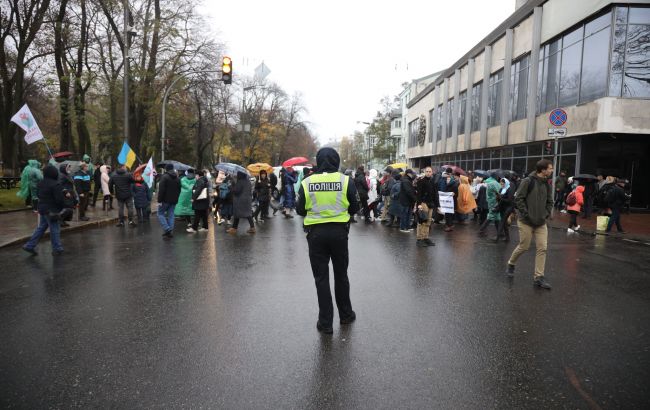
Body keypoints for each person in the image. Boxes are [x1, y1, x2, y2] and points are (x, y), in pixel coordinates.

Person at [296, 147, 359, 334]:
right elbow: (355, 207)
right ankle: (346, 315)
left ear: (318, 161)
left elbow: (300, 210)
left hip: (316, 234)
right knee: (341, 275)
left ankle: (325, 323)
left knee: (321, 278)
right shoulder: (345, 180)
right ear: (337, 160)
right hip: (339, 233)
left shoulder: (307, 182)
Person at [507, 159, 554, 290]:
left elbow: (550, 201)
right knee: (524, 246)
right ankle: (511, 263)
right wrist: (526, 214)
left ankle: (538, 277)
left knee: (542, 248)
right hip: (526, 221)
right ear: (543, 170)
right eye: (550, 168)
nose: (552, 171)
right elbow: (519, 198)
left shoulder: (547, 184)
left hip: (540, 222)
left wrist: (545, 214)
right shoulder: (528, 181)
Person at [22, 165, 65, 255]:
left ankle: (29, 245)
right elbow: (59, 199)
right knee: (55, 229)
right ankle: (57, 248)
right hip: (52, 210)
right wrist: (63, 206)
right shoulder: (56, 184)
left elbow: (38, 194)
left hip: (42, 208)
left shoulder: (40, 183)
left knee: (41, 228)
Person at [415, 166, 439, 247]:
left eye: (430, 171)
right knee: (422, 221)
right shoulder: (421, 181)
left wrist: (438, 205)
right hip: (423, 203)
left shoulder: (433, 182)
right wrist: (419, 204)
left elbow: (435, 194)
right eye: (427, 171)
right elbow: (418, 194)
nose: (428, 173)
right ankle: (419, 239)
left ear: (432, 172)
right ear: (425, 172)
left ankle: (425, 238)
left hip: (431, 204)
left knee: (428, 222)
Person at [157, 163, 181, 238]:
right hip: (174, 200)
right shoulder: (177, 178)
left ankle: (167, 229)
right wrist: (176, 198)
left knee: (160, 213)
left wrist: (159, 200)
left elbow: (161, 190)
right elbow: (179, 189)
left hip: (165, 200)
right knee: (171, 215)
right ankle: (170, 231)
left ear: (166, 169)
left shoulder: (164, 177)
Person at [478, 173, 501, 238]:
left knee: (496, 217)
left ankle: (499, 232)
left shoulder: (488, 182)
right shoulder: (494, 183)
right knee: (491, 217)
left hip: (490, 201)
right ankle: (481, 230)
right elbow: (500, 192)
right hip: (494, 202)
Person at [495, 176, 516, 241]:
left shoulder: (509, 189)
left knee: (502, 221)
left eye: (503, 184)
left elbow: (509, 200)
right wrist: (498, 197)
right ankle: (507, 238)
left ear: (506, 183)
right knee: (504, 223)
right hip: (502, 207)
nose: (501, 185)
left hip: (508, 207)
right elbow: (500, 199)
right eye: (500, 184)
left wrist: (501, 198)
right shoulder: (501, 189)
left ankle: (497, 237)